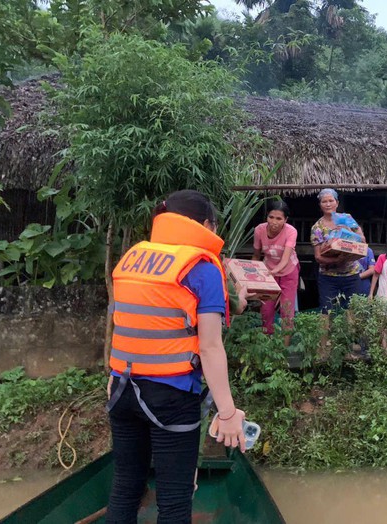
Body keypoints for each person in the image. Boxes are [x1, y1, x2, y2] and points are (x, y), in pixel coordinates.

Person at [105, 190, 245, 523]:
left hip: (120, 389)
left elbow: (132, 322)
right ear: (207, 225)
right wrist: (227, 412)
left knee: (125, 489)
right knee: (174, 501)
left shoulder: (133, 256)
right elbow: (209, 346)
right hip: (170, 396)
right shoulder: (201, 267)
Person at [310, 188, 366, 311]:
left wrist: (348, 230)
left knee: (353, 309)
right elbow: (318, 257)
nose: (328, 204)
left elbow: (362, 240)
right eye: (324, 201)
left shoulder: (347, 218)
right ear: (320, 205)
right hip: (328, 276)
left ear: (337, 203)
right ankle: (326, 331)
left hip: (351, 274)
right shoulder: (317, 228)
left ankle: (351, 331)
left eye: (331, 200)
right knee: (326, 310)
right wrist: (337, 260)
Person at [252, 200, 300, 345]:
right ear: (267, 216)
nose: (274, 222)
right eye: (271, 217)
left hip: (288, 271)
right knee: (266, 309)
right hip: (268, 271)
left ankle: (285, 347)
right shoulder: (259, 230)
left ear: (285, 220)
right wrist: (253, 272)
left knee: (287, 308)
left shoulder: (291, 231)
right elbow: (256, 255)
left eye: (279, 219)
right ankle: (267, 344)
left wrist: (272, 272)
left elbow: (285, 260)